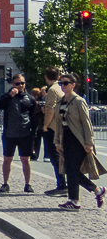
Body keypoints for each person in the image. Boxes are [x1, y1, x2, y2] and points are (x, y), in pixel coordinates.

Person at [54, 73, 107, 211]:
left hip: (78, 139)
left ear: (73, 84)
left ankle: (76, 200)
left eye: (66, 83)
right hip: (65, 138)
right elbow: (58, 123)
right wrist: (57, 142)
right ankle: (94, 191)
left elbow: (86, 122)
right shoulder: (60, 101)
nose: (63, 86)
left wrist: (89, 142)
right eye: (61, 83)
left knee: (72, 170)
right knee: (71, 170)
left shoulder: (78, 101)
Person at [0, 73, 36, 193]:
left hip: (25, 133)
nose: (20, 86)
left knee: (25, 159)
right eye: (17, 83)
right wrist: (9, 96)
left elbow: (33, 117)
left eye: (22, 83)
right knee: (7, 159)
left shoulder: (30, 98)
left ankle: (28, 184)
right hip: (10, 133)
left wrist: (33, 134)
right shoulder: (7, 96)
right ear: (13, 84)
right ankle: (5, 183)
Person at [41, 67, 67, 196]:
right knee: (59, 157)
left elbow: (50, 110)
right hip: (61, 126)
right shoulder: (60, 88)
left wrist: (45, 126)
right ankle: (63, 184)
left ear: (46, 77)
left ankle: (62, 184)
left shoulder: (52, 90)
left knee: (55, 157)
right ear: (58, 76)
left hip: (53, 127)